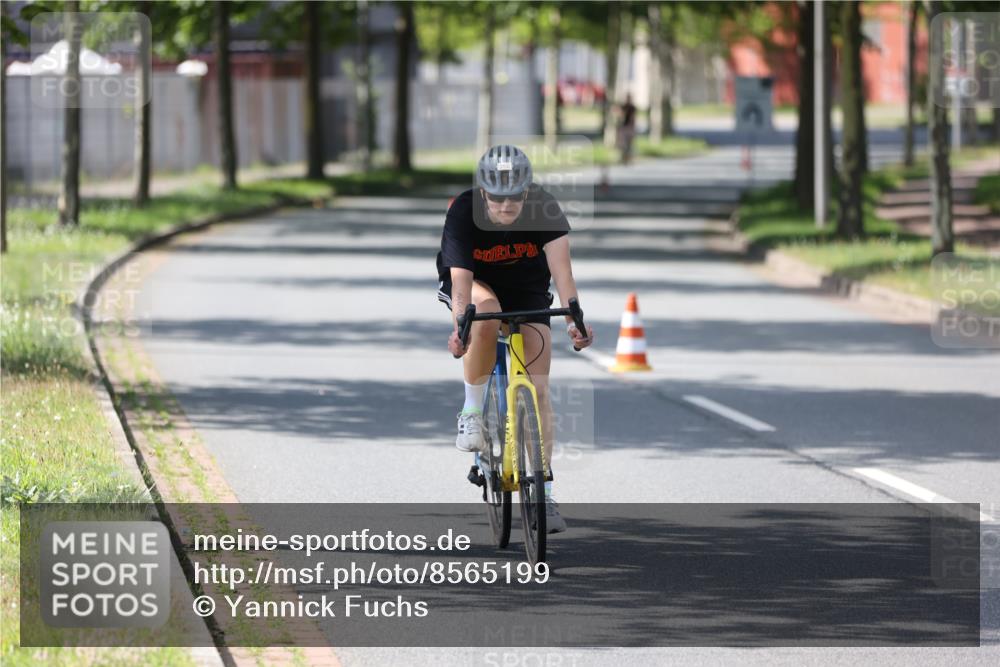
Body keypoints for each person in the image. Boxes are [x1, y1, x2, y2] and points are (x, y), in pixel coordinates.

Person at [435, 144, 594, 533]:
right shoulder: (463, 211)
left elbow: (563, 273)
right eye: (497, 197)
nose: (506, 205)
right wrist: (461, 328)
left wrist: (575, 321)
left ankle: (545, 494)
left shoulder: (544, 206)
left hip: (527, 288)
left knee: (538, 390)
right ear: (483, 193)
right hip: (478, 285)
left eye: (515, 197)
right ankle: (472, 412)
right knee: (486, 313)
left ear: (528, 192)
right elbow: (461, 283)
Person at [618, 94, 637, 165]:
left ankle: (630, 159)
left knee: (630, 144)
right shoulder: (623, 107)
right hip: (624, 127)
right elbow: (620, 116)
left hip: (630, 127)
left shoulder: (632, 108)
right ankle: (624, 158)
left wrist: (633, 128)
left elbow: (633, 118)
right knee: (623, 144)